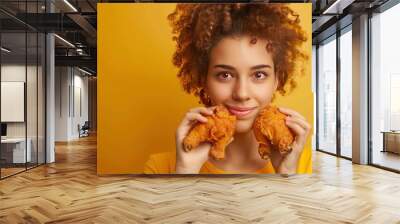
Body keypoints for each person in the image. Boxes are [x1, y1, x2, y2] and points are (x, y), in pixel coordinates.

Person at [144, 3, 311, 174]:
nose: (241, 93)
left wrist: (287, 175)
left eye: (259, 75)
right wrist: (185, 173)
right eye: (225, 75)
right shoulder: (161, 168)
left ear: (277, 80)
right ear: (203, 80)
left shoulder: (302, 164)